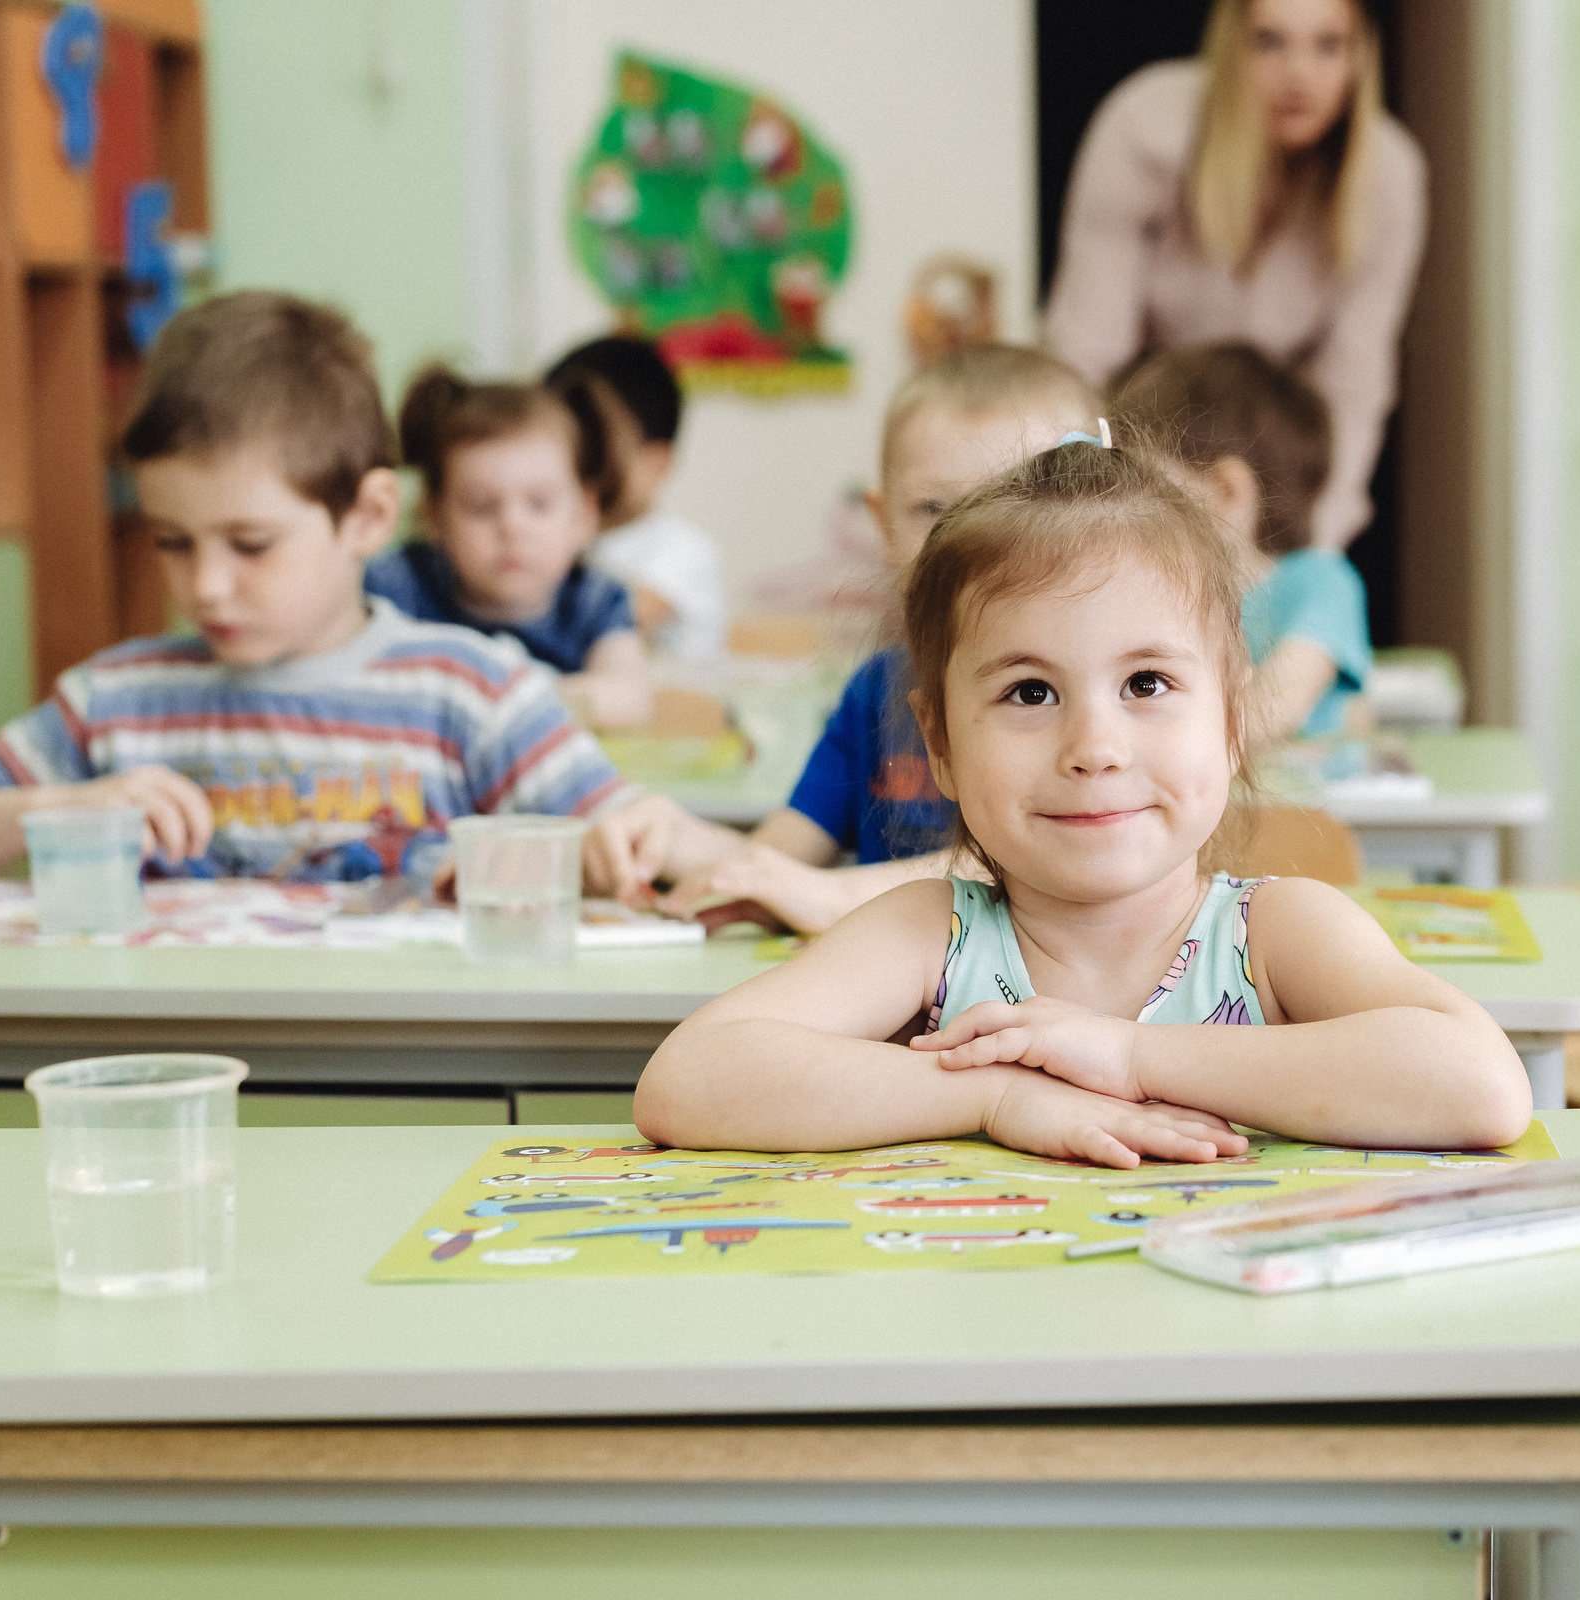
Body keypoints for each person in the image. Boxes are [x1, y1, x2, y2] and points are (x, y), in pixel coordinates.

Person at [632, 435, 1530, 1166]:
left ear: (1230, 718)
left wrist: (1134, 1058)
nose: (1094, 749)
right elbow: (689, 1077)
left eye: (1146, 682)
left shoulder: (1276, 938)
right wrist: (998, 1094)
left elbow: (1479, 1085)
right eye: (1030, 692)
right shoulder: (929, 936)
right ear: (940, 742)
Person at [0, 292, 637, 883]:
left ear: (368, 515)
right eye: (172, 541)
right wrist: (64, 806)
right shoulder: (117, 700)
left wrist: (592, 858)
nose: (208, 585)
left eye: (251, 544)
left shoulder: (472, 693)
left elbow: (637, 839)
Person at [581, 345, 1101, 931]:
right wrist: (673, 838)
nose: (964, 544)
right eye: (933, 509)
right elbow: (780, 860)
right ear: (883, 523)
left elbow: (1026, 865)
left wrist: (824, 895)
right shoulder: (876, 688)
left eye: (1008, 506)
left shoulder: (1082, 696)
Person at [1043, 0, 1424, 553]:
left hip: (1281, 452)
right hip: (1141, 431)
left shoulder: (1389, 177)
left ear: (1359, 56)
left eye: (1328, 45)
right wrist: (1069, 509)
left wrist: (1316, 550)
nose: (1299, 74)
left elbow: (1354, 383)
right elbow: (1084, 350)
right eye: (1269, 41)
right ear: (1230, 43)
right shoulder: (1143, 130)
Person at [365, 366, 655, 729]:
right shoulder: (397, 587)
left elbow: (629, 700)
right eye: (481, 506)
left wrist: (504, 704)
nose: (512, 527)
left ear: (584, 515)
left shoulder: (596, 600)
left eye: (539, 504)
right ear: (433, 515)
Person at [1113, 342, 1368, 743]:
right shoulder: (1163, 591)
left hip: (1304, 804)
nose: (1119, 511)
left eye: (1141, 490)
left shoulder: (1322, 583)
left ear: (1225, 491)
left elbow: (1272, 709)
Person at [546, 334, 727, 662]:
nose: (577, 469)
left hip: (678, 710)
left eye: (596, 453)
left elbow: (619, 615)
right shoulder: (562, 536)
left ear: (656, 465)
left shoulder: (683, 549)